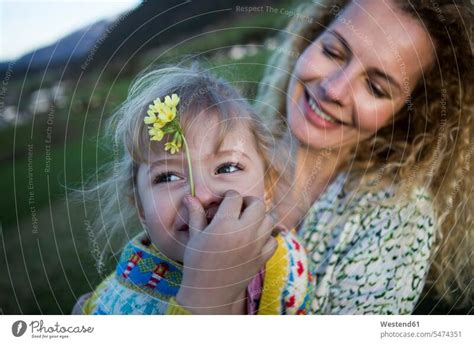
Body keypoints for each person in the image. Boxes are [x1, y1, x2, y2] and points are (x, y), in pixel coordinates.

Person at [173, 0, 472, 314]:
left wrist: (205, 296)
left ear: (407, 113)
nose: (334, 90)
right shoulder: (220, 152)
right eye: (332, 52)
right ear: (311, 38)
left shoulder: (398, 221)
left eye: (375, 87)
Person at [73, 65, 313, 315]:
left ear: (268, 186)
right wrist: (204, 298)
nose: (200, 195)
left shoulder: (288, 260)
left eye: (228, 167)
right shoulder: (118, 308)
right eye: (168, 176)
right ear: (141, 208)